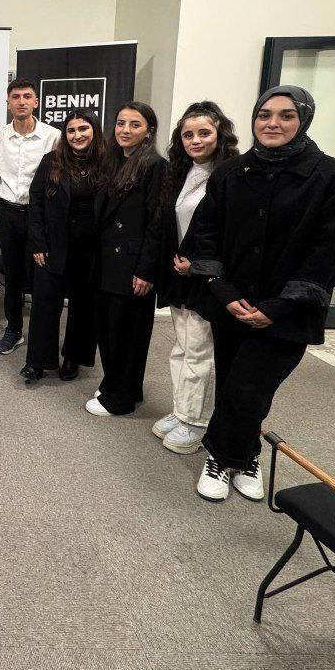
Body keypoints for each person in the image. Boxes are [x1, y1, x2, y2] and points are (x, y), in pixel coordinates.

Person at [188, 86, 335, 503]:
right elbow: (206, 233)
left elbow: (330, 249)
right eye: (264, 115)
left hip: (288, 311)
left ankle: (223, 454)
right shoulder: (231, 173)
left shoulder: (331, 176)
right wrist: (223, 291)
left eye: (286, 115)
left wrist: (280, 306)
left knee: (249, 389)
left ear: (304, 120)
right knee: (233, 384)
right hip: (233, 305)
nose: (272, 123)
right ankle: (245, 456)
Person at [151, 101, 239, 456]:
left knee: (200, 351)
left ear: (220, 134)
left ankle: (196, 422)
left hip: (206, 278)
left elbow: (230, 235)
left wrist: (198, 266)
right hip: (180, 277)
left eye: (204, 133)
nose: (196, 140)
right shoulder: (182, 172)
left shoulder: (231, 175)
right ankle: (182, 410)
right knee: (183, 347)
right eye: (188, 135)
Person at [88, 101, 166, 417]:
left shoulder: (155, 166)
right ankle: (120, 384)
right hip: (108, 260)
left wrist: (146, 270)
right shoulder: (115, 161)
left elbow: (157, 222)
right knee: (110, 329)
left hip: (133, 265)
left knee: (127, 334)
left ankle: (120, 398)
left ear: (149, 131)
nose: (125, 130)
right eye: (121, 123)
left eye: (135, 124)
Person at [21, 110, 104, 384]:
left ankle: (73, 357)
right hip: (52, 245)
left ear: (94, 130)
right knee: (44, 304)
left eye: (83, 129)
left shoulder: (108, 163)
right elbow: (35, 202)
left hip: (90, 250)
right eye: (71, 130)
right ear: (64, 134)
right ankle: (37, 361)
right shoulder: (51, 161)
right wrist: (37, 242)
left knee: (84, 306)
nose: (77, 135)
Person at [0, 78, 60, 355]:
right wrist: (7, 195)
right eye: (16, 97)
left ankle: (41, 333)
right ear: (8, 103)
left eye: (27, 96)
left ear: (36, 102)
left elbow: (58, 177)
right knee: (13, 273)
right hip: (8, 212)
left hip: (39, 215)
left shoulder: (53, 137)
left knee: (42, 275)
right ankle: (14, 328)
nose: (21, 102)